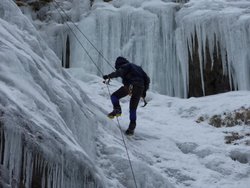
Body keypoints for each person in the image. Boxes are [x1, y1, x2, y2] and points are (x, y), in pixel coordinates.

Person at [103, 56, 150, 135]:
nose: (118, 68)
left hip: (131, 85)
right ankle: (131, 128)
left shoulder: (126, 66)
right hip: (140, 88)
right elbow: (147, 79)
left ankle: (117, 109)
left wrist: (109, 76)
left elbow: (119, 72)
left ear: (119, 64)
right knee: (133, 109)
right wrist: (144, 91)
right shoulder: (138, 68)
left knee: (114, 96)